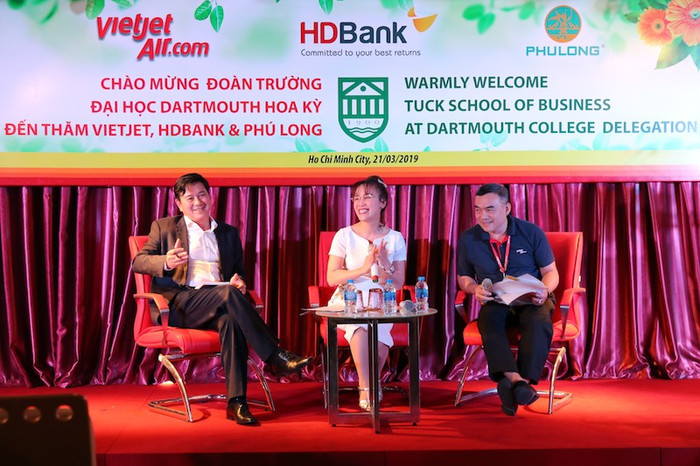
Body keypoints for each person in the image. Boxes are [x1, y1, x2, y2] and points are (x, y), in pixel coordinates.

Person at [132, 173, 312, 425]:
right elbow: (139, 262)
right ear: (179, 204)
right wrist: (166, 261)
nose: (198, 202)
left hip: (217, 303)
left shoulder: (228, 233)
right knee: (227, 294)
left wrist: (240, 283)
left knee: (230, 321)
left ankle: (236, 402)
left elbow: (238, 274)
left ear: (211, 196)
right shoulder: (165, 227)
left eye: (202, 195)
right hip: (180, 304)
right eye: (190, 198)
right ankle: (274, 355)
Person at [457, 183, 559, 416]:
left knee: (539, 320)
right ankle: (518, 383)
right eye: (478, 209)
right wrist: (474, 289)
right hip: (496, 299)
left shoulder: (530, 232)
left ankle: (515, 382)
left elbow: (551, 271)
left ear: (507, 208)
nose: (482, 216)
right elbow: (464, 277)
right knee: (488, 321)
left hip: (531, 298)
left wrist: (544, 290)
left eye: (489, 209)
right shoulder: (469, 238)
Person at [326, 175, 407, 411]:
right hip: (349, 296)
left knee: (379, 327)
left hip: (381, 298)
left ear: (383, 202)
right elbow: (332, 278)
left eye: (367, 197)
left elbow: (398, 283)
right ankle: (367, 386)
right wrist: (363, 267)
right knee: (360, 324)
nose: (360, 203)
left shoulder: (395, 238)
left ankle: (371, 383)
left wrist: (384, 264)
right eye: (356, 198)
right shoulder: (343, 235)